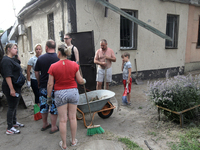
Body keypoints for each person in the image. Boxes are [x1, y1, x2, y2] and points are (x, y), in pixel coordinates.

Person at [47, 44, 86, 150]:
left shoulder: (53, 66)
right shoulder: (74, 64)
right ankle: (73, 141)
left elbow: (50, 84)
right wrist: (84, 81)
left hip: (60, 93)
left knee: (63, 120)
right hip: (73, 92)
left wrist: (49, 97)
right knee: (72, 117)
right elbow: (80, 80)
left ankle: (64, 145)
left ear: (59, 53)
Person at [35, 40, 59, 134]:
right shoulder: (58, 57)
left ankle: (45, 124)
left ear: (46, 47)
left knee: (44, 105)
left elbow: (36, 72)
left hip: (44, 86)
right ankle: (53, 126)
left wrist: (39, 82)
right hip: (55, 87)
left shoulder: (40, 58)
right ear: (55, 47)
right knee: (54, 106)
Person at [1, 43, 25, 135]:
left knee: (15, 105)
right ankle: (9, 127)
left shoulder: (12, 59)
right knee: (11, 107)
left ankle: (14, 122)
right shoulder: (6, 61)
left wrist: (17, 57)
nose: (16, 50)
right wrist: (11, 89)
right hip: (10, 87)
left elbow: (18, 65)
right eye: (15, 48)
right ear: (8, 49)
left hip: (16, 86)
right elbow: (8, 76)